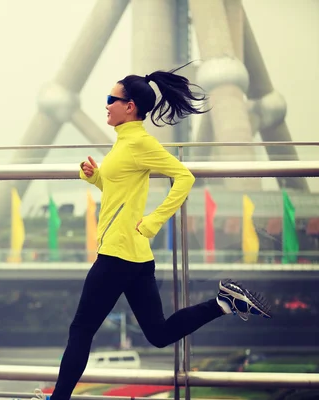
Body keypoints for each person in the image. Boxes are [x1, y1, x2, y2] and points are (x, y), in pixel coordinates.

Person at [28, 64, 272, 400]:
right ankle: (225, 302)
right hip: (135, 257)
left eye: (111, 99)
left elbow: (184, 177)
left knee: (81, 330)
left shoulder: (139, 143)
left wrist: (155, 220)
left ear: (130, 107)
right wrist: (94, 176)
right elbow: (120, 192)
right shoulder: (124, 143)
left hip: (118, 255)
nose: (106, 105)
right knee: (158, 334)